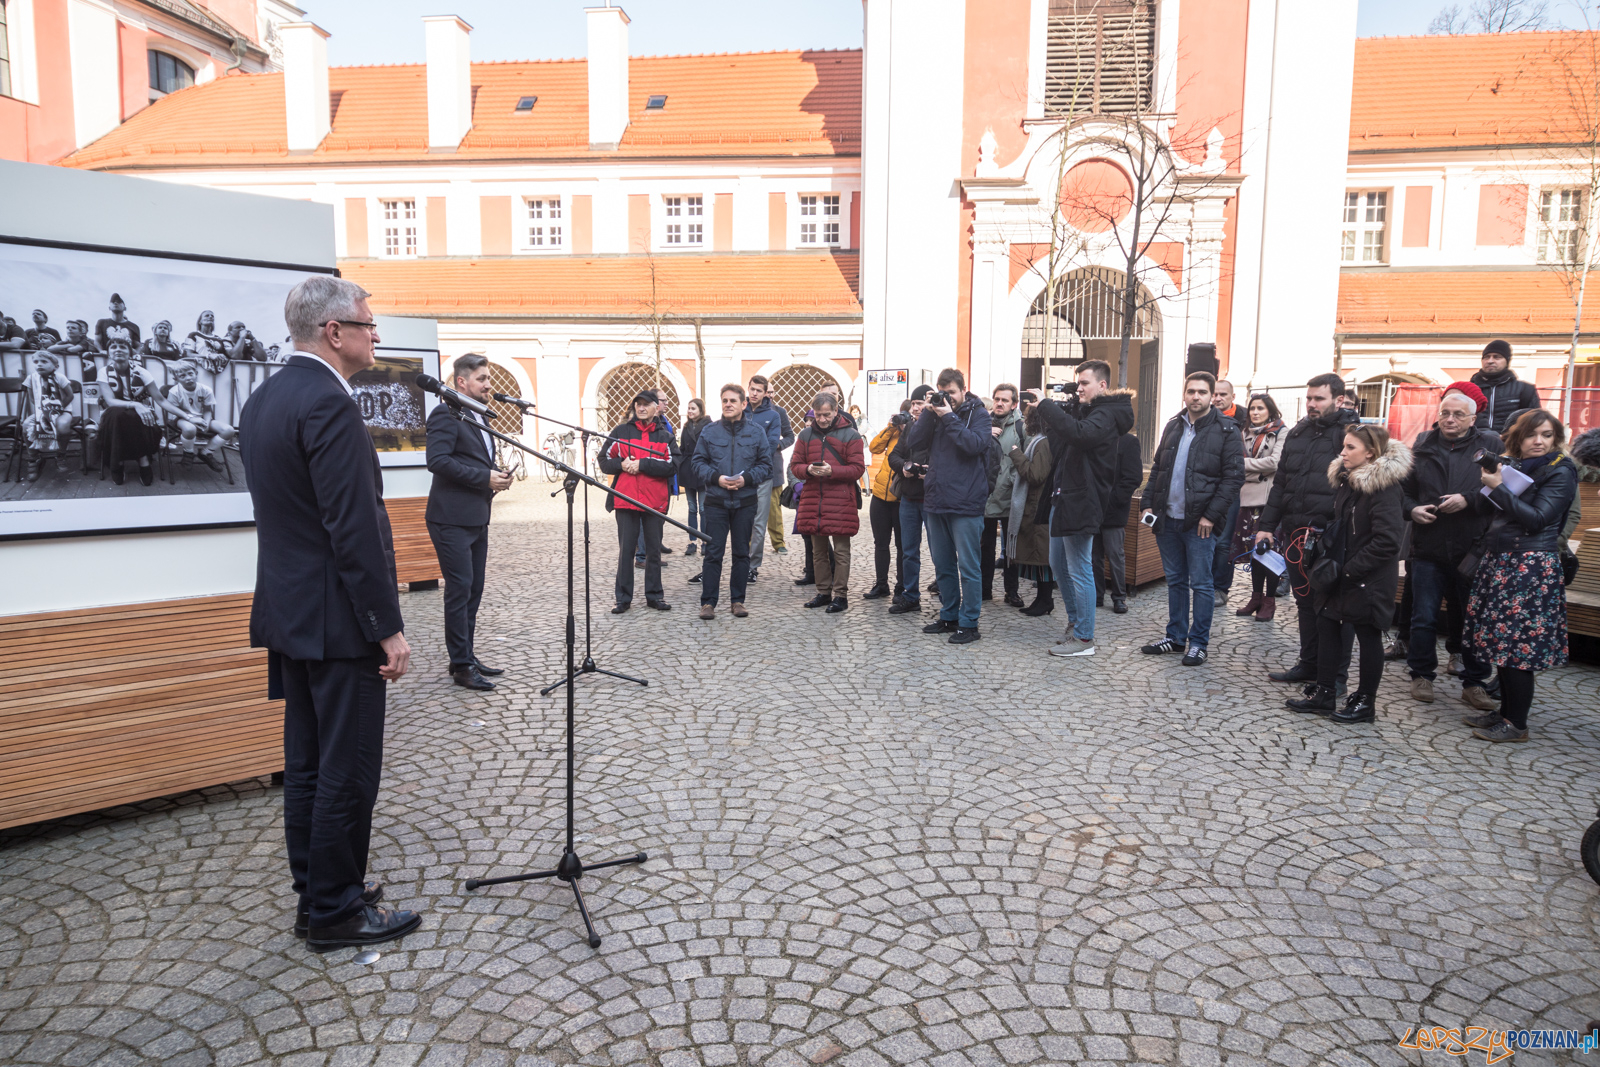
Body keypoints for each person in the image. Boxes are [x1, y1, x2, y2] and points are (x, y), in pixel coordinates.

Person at [239, 275, 420, 952]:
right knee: (346, 766)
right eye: (369, 323)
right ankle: (338, 909)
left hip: (290, 613)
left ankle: (315, 895)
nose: (377, 334)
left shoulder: (267, 398)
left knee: (310, 764)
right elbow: (354, 529)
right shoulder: (330, 405)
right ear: (334, 332)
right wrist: (387, 626)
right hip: (338, 622)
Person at [1460, 409, 1578, 743]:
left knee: (1518, 648)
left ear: (1555, 439)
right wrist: (1493, 482)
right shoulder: (1520, 466)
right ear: (1519, 438)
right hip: (1504, 561)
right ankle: (1505, 712)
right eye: (1531, 435)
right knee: (1502, 644)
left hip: (1530, 566)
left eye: (1546, 435)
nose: (1538, 441)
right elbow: (1490, 508)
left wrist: (1498, 488)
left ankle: (1517, 724)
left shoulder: (1561, 471)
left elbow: (1538, 519)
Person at [1286, 425, 1411, 723]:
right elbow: (1343, 525)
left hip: (1369, 578)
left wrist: (1349, 570)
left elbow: (1388, 541)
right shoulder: (1347, 482)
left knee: (1368, 637)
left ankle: (1365, 702)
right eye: (1343, 446)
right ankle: (1325, 692)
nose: (1342, 452)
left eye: (1350, 447)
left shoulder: (1385, 487)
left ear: (1370, 452)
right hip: (1340, 572)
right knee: (1327, 624)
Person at [1255, 373, 1362, 686]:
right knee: (1304, 602)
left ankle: (1334, 678)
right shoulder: (1299, 432)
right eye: (1310, 398)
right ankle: (1309, 664)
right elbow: (1282, 483)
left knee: (1334, 607)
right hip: (1295, 531)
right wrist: (1266, 526)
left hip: (1332, 535)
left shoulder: (1353, 435)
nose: (1312, 404)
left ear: (1339, 400)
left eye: (1320, 399)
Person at [1401, 384, 1502, 710]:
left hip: (1472, 547)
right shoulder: (1421, 444)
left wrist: (1469, 500)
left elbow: (1505, 491)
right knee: (1424, 617)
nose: (1450, 419)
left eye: (1458, 414)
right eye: (1445, 413)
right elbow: (1402, 493)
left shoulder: (1490, 445)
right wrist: (1412, 509)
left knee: (1475, 619)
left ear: (1472, 419)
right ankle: (1421, 675)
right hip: (1429, 546)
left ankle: (1474, 683)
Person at [1138, 372, 1246, 666]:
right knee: (1175, 581)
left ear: (1213, 396)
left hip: (1200, 523)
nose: (1196, 396)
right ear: (1184, 394)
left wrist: (1211, 516)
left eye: (1202, 392)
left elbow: (1233, 479)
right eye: (1191, 391)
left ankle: (1198, 642)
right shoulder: (1173, 425)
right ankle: (1175, 638)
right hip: (1167, 520)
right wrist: (1147, 504)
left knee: (1201, 584)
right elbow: (1158, 468)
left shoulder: (1227, 430)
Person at [1035, 360, 1136, 658]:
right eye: (1077, 383)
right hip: (1063, 498)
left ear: (1102, 385)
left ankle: (1084, 638)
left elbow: (1080, 435)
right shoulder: (1090, 411)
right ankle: (1077, 623)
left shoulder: (1107, 414)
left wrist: (1046, 406)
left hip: (1082, 501)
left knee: (1079, 568)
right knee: (1058, 563)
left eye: (1084, 384)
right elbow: (1061, 442)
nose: (1079, 388)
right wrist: (1065, 408)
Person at [425, 353, 513, 692]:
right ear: (461, 382)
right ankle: (461, 666)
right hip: (450, 519)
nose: (489, 384)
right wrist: (484, 478)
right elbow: (437, 461)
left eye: (488, 378)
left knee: (473, 590)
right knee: (459, 590)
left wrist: (497, 478)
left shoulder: (477, 416)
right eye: (482, 379)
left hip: (477, 515)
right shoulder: (445, 414)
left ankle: (466, 655)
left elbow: (477, 461)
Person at [905, 368, 993, 644]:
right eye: (944, 393)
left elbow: (974, 445)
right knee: (943, 565)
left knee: (969, 567)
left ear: (963, 391)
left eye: (952, 393)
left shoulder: (978, 414)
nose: (948, 398)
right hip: (936, 500)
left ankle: (969, 623)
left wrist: (949, 417)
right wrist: (931, 412)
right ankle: (949, 615)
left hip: (966, 503)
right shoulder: (936, 414)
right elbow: (914, 442)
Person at [690, 383, 773, 619]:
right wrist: (717, 478)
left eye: (733, 401)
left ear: (743, 404)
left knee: (741, 554)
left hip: (745, 501)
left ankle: (738, 601)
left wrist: (746, 479)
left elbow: (766, 466)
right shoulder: (709, 431)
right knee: (713, 553)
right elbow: (697, 463)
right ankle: (708, 603)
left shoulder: (757, 432)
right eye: (724, 400)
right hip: (716, 501)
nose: (728, 404)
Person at [602, 390, 680, 615]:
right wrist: (622, 464)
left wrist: (643, 465)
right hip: (626, 500)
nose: (641, 408)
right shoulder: (621, 432)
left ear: (656, 407)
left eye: (646, 404)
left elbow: (672, 465)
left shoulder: (664, 436)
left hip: (655, 501)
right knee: (626, 550)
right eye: (638, 404)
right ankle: (623, 599)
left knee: (654, 551)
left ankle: (654, 596)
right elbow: (604, 460)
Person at [791, 393, 866, 612]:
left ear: (836, 411)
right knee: (818, 551)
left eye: (827, 414)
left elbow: (858, 469)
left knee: (841, 551)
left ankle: (840, 596)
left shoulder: (851, 435)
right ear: (813, 412)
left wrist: (833, 471)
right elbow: (795, 465)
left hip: (841, 500)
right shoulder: (805, 435)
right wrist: (807, 470)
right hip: (814, 499)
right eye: (818, 414)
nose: (822, 419)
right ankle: (823, 592)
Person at [98, 336, 182, 486]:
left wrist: (186, 415)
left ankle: (135, 460)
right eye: (114, 347)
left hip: (138, 418)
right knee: (117, 413)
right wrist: (136, 405)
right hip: (114, 415)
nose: (118, 350)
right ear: (108, 353)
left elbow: (161, 400)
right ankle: (131, 460)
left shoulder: (142, 372)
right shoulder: (104, 372)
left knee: (133, 416)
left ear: (130, 353)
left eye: (123, 347)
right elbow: (110, 401)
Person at [1232, 393, 1287, 621]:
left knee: (1269, 552)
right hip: (1247, 499)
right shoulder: (1243, 433)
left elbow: (1275, 462)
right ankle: (1255, 597)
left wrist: (1244, 464)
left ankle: (1269, 601)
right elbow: (1231, 461)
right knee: (1255, 553)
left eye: (1260, 409)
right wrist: (1257, 468)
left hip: (1269, 501)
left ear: (1270, 411)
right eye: (1252, 408)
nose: (1255, 412)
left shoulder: (1282, 431)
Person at [887, 384, 935, 616]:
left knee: (939, 551)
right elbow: (894, 456)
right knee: (908, 551)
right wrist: (905, 467)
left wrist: (931, 470)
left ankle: (946, 593)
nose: (917, 408)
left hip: (932, 499)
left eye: (921, 403)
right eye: (914, 404)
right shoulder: (910, 428)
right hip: (909, 497)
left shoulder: (940, 425)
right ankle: (910, 595)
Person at [1009, 391, 1057, 616]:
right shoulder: (1042, 442)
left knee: (1043, 559)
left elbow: (1036, 475)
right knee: (1039, 558)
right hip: (1037, 509)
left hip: (1039, 510)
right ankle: (1042, 600)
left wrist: (1017, 455)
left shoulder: (1043, 444)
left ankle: (1045, 601)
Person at [743, 375, 794, 582]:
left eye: (759, 390)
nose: (754, 393)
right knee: (742, 519)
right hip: (742, 474)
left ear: (766, 393)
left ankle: (775, 545)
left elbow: (787, 436)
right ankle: (742, 561)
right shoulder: (741, 409)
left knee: (768, 513)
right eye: (751, 389)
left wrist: (777, 447)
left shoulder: (776, 413)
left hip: (768, 470)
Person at [983, 383, 1026, 605]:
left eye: (1005, 400)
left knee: (1011, 550)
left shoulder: (1021, 428)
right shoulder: (981, 423)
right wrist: (984, 433)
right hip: (985, 496)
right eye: (997, 399)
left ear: (1014, 404)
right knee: (985, 549)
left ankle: (1012, 591)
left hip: (1011, 497)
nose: (1000, 403)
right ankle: (984, 590)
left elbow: (1027, 463)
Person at [1094, 419, 1142, 614]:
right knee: (1093, 556)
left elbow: (1133, 478)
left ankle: (1119, 597)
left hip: (1114, 510)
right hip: (1092, 508)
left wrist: (1114, 500)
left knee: (1115, 555)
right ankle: (1096, 595)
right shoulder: (1095, 440)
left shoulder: (1128, 442)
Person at [864, 399, 908, 600]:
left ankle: (901, 586)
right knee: (880, 543)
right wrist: (890, 428)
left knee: (902, 546)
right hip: (881, 495)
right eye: (902, 415)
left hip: (901, 499)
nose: (903, 420)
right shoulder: (893, 433)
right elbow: (874, 447)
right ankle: (881, 584)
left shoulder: (917, 435)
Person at [19, 350, 81, 482]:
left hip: (63, 410)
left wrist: (56, 409)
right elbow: (32, 399)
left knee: (63, 425)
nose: (39, 364)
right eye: (36, 362)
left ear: (55, 366)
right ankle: (34, 458)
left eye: (44, 361)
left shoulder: (60, 377)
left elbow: (70, 396)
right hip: (41, 411)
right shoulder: (31, 378)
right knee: (25, 425)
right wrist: (45, 412)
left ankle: (61, 455)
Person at [166, 359, 237, 472]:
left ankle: (206, 452)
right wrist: (192, 419)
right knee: (190, 428)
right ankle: (188, 452)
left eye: (190, 374)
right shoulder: (174, 392)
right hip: (182, 418)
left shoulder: (206, 389)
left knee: (229, 430)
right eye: (182, 376)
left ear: (196, 373)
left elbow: (208, 409)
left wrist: (207, 423)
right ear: (176, 379)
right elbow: (175, 411)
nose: (188, 378)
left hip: (201, 417)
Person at [1470, 339, 1541, 435]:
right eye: (1486, 357)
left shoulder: (1525, 390)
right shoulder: (1469, 390)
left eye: (1497, 357)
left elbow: (1534, 423)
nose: (1490, 361)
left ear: (1507, 361)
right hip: (1476, 444)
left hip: (1511, 445)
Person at [678, 398, 712, 557]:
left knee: (703, 508)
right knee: (692, 508)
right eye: (688, 408)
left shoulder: (708, 426)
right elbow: (682, 448)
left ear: (700, 410)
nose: (690, 411)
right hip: (688, 470)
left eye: (693, 408)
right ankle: (692, 542)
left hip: (702, 470)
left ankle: (705, 541)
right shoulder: (686, 427)